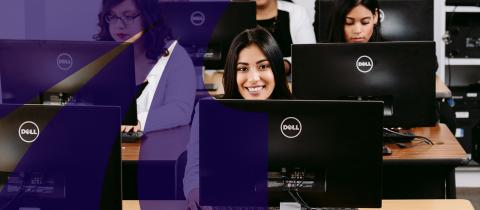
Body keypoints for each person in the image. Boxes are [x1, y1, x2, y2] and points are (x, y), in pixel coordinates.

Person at [183, 27, 292, 210]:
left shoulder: (295, 115)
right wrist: (194, 190)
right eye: (242, 68)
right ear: (233, 73)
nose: (253, 78)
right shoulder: (208, 113)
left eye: (263, 66)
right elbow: (195, 167)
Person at [95, 0, 196, 133]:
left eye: (128, 16)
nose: (119, 25)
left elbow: (180, 111)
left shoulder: (174, 55)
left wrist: (128, 124)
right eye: (113, 17)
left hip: (158, 145)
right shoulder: (100, 57)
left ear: (148, 17)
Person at [256, 0, 316, 74]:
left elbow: (310, 57)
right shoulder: (238, 14)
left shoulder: (297, 12)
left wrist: (284, 65)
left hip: (290, 83)